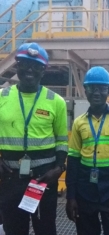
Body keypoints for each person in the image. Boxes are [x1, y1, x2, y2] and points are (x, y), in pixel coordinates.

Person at [0, 42, 68, 235]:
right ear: (17, 66)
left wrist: (58, 168)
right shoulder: (1, 98)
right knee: (14, 229)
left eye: (36, 66)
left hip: (43, 179)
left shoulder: (56, 102)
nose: (30, 69)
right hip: (11, 178)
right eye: (25, 63)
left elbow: (62, 140)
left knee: (45, 229)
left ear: (43, 70)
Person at [65, 66, 109, 235]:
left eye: (102, 88)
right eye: (91, 88)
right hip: (84, 189)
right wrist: (71, 197)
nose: (96, 93)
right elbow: (73, 161)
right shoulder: (79, 122)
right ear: (86, 90)